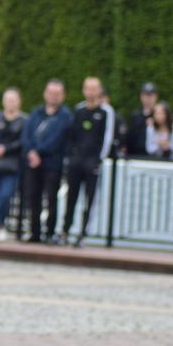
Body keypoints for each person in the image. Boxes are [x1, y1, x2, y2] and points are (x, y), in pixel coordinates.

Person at [59, 77, 115, 247]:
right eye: (87, 88)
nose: (90, 92)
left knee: (89, 199)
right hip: (77, 161)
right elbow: (71, 136)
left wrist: (99, 159)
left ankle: (83, 233)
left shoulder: (106, 112)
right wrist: (70, 157)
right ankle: (65, 230)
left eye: (94, 89)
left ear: (99, 91)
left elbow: (107, 138)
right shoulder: (79, 109)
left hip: (92, 162)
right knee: (71, 197)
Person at [21, 79, 72, 243]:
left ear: (62, 96)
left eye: (57, 94)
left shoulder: (65, 116)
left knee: (51, 199)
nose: (53, 97)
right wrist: (31, 152)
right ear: (45, 93)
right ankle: (34, 232)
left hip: (52, 164)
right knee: (33, 198)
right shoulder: (36, 112)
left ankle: (49, 233)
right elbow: (27, 135)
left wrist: (39, 152)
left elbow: (57, 139)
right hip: (32, 163)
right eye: (50, 93)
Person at [0, 88, 26, 241]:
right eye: (8, 99)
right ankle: (1, 225)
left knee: (5, 194)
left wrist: (6, 149)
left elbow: (23, 141)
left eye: (13, 99)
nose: (10, 103)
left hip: (13, 165)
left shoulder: (23, 121)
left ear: (19, 101)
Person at [123, 82, 158, 156]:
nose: (148, 98)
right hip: (135, 156)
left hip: (154, 157)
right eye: (145, 95)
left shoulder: (159, 115)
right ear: (141, 97)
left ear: (155, 97)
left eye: (150, 95)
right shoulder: (135, 116)